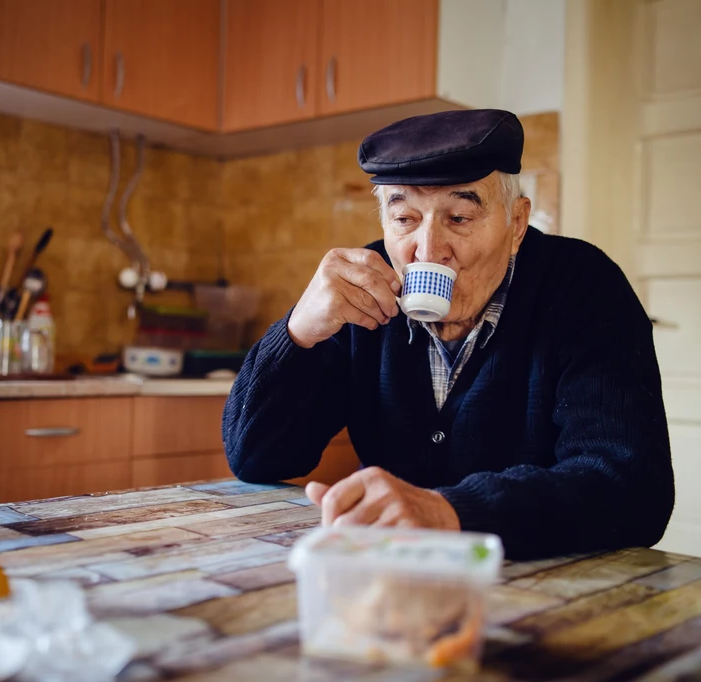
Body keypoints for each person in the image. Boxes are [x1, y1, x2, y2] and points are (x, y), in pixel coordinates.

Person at [222, 109, 674, 560]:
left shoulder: (582, 285)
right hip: (390, 578)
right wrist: (298, 332)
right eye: (404, 219)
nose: (429, 251)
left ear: (516, 224)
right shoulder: (364, 289)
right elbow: (257, 458)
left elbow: (631, 487)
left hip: (547, 588)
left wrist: (450, 511)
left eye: (458, 217)